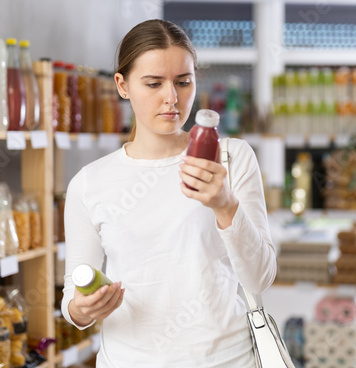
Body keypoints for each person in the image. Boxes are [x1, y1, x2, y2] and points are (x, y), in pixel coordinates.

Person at [62, 19, 277, 367]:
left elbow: (260, 277)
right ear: (122, 85)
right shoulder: (90, 183)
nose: (172, 98)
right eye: (153, 83)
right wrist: (82, 308)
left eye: (183, 82)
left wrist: (225, 205)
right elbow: (74, 296)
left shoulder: (231, 158)